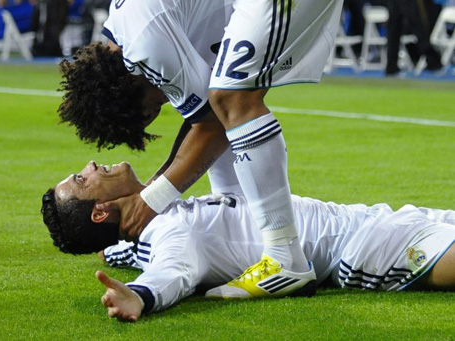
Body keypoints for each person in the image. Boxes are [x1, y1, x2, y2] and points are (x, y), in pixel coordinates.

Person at [57, 0, 345, 299]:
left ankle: (284, 258)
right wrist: (149, 196)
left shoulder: (145, 44)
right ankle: (249, 227)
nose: (163, 105)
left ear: (128, 90)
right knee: (223, 98)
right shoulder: (135, 33)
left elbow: (213, 126)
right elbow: (204, 121)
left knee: (231, 98)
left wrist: (152, 199)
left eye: (152, 108)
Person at [42, 160, 455, 322]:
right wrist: (140, 296)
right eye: (82, 179)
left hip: (373, 217)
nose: (90, 165)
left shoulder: (148, 225)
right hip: (362, 249)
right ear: (101, 210)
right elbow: (173, 272)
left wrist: (113, 244)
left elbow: (119, 246)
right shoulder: (173, 236)